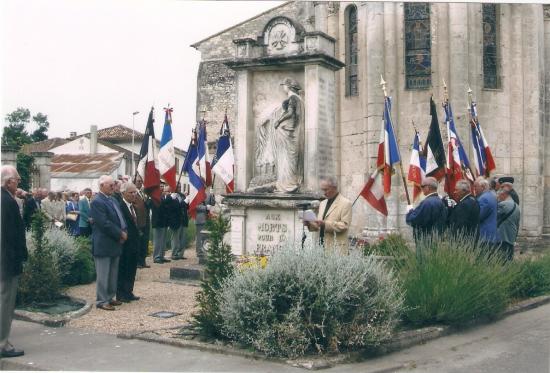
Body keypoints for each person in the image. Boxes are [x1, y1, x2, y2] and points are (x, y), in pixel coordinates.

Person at [0, 165, 27, 358]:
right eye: (17, 180)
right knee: (5, 303)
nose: (18, 183)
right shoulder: (7, 202)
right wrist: (20, 257)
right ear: (9, 182)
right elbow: (11, 235)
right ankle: (2, 344)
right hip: (6, 262)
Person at [90, 175, 127, 311]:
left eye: (114, 185)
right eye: (110, 185)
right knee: (103, 273)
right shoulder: (97, 202)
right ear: (101, 186)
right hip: (104, 243)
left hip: (115, 242)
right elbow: (104, 223)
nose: (113, 187)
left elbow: (120, 218)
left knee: (112, 273)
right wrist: (120, 233)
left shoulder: (113, 200)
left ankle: (110, 297)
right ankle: (101, 300)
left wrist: (124, 230)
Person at [305, 176, 352, 254]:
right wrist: (309, 224)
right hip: (321, 247)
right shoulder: (322, 203)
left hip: (337, 250)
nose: (324, 193)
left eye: (326, 189)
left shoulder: (346, 203)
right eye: (322, 190)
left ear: (334, 187)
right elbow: (318, 226)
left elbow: (344, 226)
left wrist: (325, 223)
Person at [116, 182, 140, 302]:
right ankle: (121, 293)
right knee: (123, 268)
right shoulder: (120, 206)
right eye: (131, 192)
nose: (134, 195)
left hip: (134, 243)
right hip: (125, 243)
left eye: (135, 192)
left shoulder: (133, 207)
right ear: (123, 193)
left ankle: (129, 291)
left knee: (132, 268)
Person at [406, 177, 447, 244]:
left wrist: (410, 211)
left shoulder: (427, 203)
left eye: (422, 186)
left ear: (428, 187)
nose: (421, 189)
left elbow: (415, 220)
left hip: (425, 240)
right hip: (436, 239)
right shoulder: (440, 201)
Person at [473, 176, 500, 252]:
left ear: (483, 187)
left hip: (485, 235)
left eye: (476, 186)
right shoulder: (490, 196)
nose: (474, 189)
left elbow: (478, 216)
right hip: (490, 235)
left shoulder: (484, 199)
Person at [497, 184, 521, 260]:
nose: (498, 198)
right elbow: (517, 224)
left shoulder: (503, 204)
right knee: (509, 260)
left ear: (503, 194)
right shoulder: (517, 206)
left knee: (501, 261)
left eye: (499, 196)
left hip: (503, 237)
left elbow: (494, 217)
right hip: (511, 238)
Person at [133, 175, 151, 268]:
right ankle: (137, 262)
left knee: (145, 241)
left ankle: (143, 260)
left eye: (141, 181)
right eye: (138, 181)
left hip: (146, 220)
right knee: (139, 242)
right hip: (139, 221)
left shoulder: (144, 193)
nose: (139, 182)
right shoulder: (133, 193)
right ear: (134, 182)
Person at [151, 185, 171, 264]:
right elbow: (159, 207)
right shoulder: (156, 197)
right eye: (160, 186)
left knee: (163, 240)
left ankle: (161, 255)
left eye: (163, 186)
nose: (162, 188)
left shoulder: (162, 197)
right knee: (158, 240)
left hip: (163, 221)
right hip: (158, 221)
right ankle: (156, 256)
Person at [195, 192, 216, 263]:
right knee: (199, 236)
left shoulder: (208, 194)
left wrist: (212, 195)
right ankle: (199, 252)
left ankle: (205, 250)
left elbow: (213, 203)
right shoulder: (197, 194)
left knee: (206, 236)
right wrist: (205, 207)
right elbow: (195, 206)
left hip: (207, 218)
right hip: (200, 218)